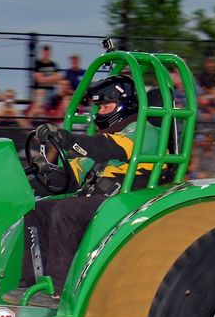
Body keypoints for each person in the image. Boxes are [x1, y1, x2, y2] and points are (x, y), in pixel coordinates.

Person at [27, 74, 147, 293]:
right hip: (101, 199)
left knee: (65, 211)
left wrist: (67, 139)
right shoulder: (106, 137)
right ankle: (31, 284)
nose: (100, 112)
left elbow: (107, 148)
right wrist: (39, 177)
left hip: (127, 203)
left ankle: (59, 290)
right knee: (38, 208)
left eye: (106, 106)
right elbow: (75, 174)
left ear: (124, 105)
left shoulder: (143, 131)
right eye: (98, 107)